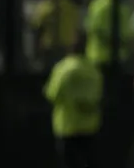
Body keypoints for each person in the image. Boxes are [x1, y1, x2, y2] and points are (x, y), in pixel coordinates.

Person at [44, 33, 104, 168]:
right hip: (90, 126)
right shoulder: (93, 69)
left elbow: (52, 94)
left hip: (67, 126)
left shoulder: (63, 68)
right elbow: (99, 95)